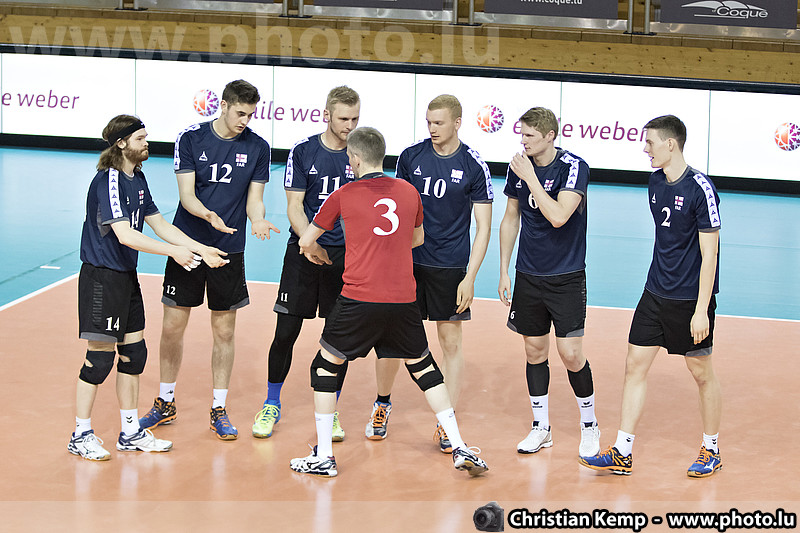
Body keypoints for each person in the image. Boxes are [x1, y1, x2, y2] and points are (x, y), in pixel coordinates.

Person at [288, 127, 488, 478]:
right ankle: (459, 446)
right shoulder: (409, 192)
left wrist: (318, 251)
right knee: (425, 368)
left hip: (359, 297)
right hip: (403, 299)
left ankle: (324, 456)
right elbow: (417, 239)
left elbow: (306, 240)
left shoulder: (344, 194)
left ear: (354, 158)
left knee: (324, 366)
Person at [69, 115, 228, 460]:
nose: (147, 143)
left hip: (126, 277)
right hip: (102, 279)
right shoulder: (109, 180)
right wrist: (174, 253)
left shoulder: (137, 178)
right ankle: (80, 434)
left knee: (133, 355)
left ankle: (129, 433)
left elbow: (159, 225)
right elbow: (125, 234)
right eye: (140, 138)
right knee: (98, 360)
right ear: (121, 143)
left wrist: (201, 249)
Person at [580, 115, 722, 477]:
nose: (645, 149)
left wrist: (701, 310)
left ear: (670, 144)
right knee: (635, 365)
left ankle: (711, 449)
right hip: (655, 293)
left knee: (701, 372)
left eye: (650, 142)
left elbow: (710, 255)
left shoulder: (701, 189)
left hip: (689, 301)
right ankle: (622, 451)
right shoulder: (655, 182)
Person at [138, 80, 279, 441]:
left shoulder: (258, 147)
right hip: (188, 246)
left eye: (251, 114)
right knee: (173, 326)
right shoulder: (191, 138)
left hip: (228, 250)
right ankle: (165, 401)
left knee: (225, 331)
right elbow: (186, 196)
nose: (245, 120)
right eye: (240, 112)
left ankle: (219, 408)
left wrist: (258, 219)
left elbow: (254, 199)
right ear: (224, 106)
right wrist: (208, 215)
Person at [367, 95, 493, 452]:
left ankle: (446, 422)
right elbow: (396, 210)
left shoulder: (474, 165)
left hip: (449, 266)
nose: (432, 129)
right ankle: (382, 404)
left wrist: (470, 277)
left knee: (450, 343)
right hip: (407, 262)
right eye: (428, 122)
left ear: (457, 123)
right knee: (391, 339)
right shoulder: (411, 157)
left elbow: (483, 227)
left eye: (438, 123)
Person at [252, 86, 360, 441]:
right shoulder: (303, 151)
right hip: (303, 251)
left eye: (355, 118)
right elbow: (295, 207)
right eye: (343, 118)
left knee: (338, 340)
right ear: (326, 115)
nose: (349, 125)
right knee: (285, 333)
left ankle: (332, 412)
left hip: (345, 258)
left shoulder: (360, 153)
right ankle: (271, 403)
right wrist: (309, 242)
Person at [498, 107, 601, 457]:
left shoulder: (573, 167)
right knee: (534, 351)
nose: (523, 141)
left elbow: (558, 216)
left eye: (529, 135)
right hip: (529, 275)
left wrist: (531, 178)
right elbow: (510, 218)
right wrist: (504, 270)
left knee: (571, 354)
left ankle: (590, 425)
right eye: (521, 134)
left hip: (566, 277)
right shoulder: (519, 166)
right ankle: (541, 427)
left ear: (549, 136)